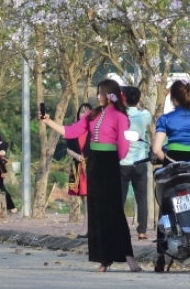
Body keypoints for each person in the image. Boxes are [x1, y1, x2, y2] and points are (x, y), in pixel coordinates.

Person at [40, 79, 142, 273]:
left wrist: (114, 161)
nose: (97, 96)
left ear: (110, 94)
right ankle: (104, 259)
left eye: (101, 93)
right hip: (94, 162)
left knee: (114, 212)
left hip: (110, 162)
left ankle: (128, 257)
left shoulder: (120, 116)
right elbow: (70, 131)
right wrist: (48, 121)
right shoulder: (91, 115)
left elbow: (123, 144)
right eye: (97, 92)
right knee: (97, 212)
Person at [151, 79, 190, 271]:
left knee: (165, 205)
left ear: (174, 98)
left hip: (172, 164)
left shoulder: (165, 119)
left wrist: (166, 160)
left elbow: (157, 149)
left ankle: (161, 257)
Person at [120, 87, 150, 241]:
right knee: (142, 198)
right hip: (140, 162)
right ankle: (142, 231)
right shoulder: (144, 115)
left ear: (123, 98)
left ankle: (119, 229)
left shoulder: (119, 116)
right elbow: (147, 114)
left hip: (122, 163)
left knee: (120, 198)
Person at [66, 103, 93, 238]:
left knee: (90, 198)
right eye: (82, 112)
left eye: (88, 112)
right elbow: (68, 148)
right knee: (84, 198)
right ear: (78, 114)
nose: (84, 114)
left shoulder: (95, 130)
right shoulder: (73, 129)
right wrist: (76, 156)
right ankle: (87, 227)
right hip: (79, 167)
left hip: (92, 167)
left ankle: (88, 228)